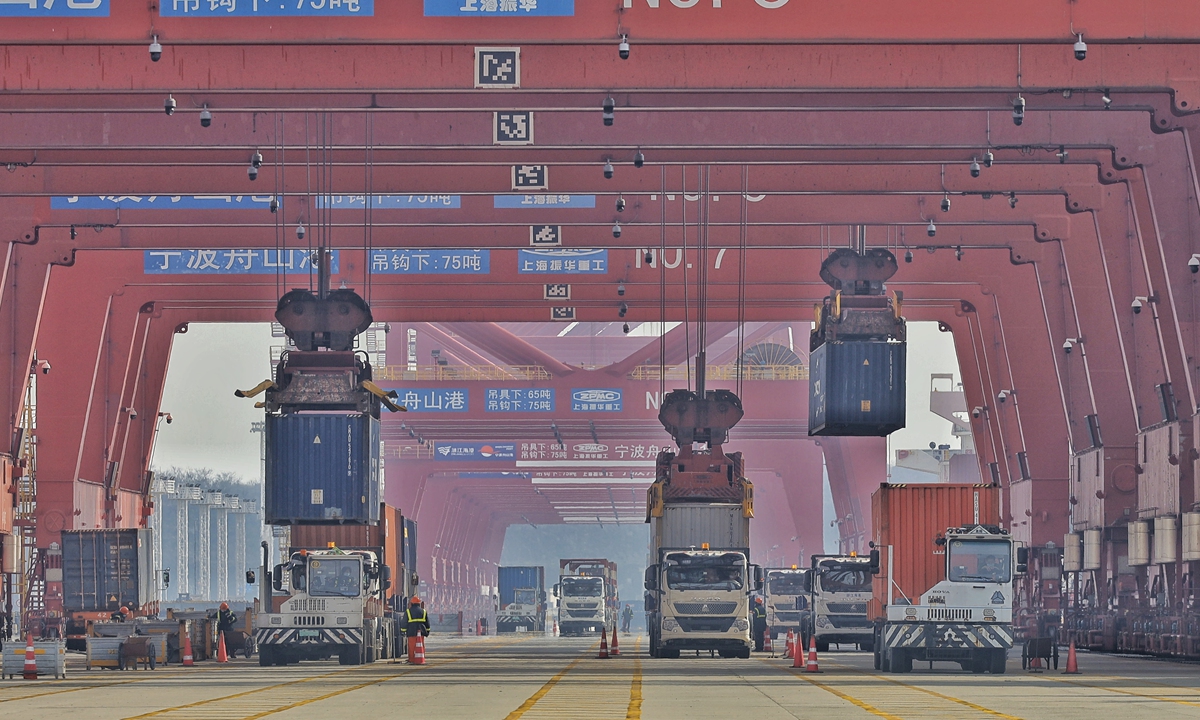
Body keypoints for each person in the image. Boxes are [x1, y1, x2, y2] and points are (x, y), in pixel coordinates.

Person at [400, 596, 430, 663]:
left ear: (412, 603)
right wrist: (427, 631)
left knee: (411, 646)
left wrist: (403, 631)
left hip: (411, 631)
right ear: (419, 603)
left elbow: (404, 622)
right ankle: (421, 657)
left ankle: (411, 659)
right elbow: (427, 623)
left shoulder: (408, 611)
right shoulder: (423, 611)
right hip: (421, 631)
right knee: (421, 645)